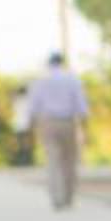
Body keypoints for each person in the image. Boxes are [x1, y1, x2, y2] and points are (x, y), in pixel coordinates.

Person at [26, 52, 91, 211]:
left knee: (52, 160)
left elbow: (33, 106)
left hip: (48, 122)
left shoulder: (40, 81)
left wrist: (31, 127)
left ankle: (56, 198)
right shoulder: (72, 79)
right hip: (68, 122)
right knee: (69, 161)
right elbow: (82, 105)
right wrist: (85, 128)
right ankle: (68, 197)